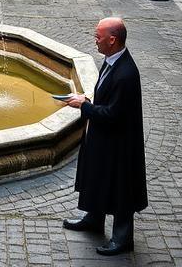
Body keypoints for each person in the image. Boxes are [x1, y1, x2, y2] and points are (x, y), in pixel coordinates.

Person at [57, 17, 147, 256]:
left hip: (119, 144)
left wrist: (83, 106)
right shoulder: (111, 60)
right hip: (104, 138)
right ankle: (94, 219)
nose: (94, 41)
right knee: (97, 177)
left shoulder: (126, 73)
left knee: (120, 188)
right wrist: (88, 100)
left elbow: (113, 114)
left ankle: (123, 238)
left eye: (98, 37)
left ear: (112, 39)